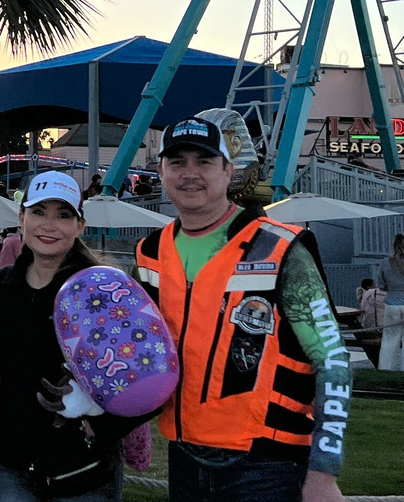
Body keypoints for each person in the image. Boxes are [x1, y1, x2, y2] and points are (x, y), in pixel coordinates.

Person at [136, 116, 352, 502]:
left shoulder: (279, 247)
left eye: (204, 161)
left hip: (266, 465)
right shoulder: (150, 252)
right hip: (183, 457)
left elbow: (333, 359)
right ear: (161, 171)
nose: (190, 173)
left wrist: (324, 470)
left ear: (228, 171)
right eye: (177, 162)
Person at [0, 170, 144, 502]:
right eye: (38, 212)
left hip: (83, 472)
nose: (49, 225)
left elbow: (149, 371)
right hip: (13, 468)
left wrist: (101, 426)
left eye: (63, 215)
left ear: (80, 226)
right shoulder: (6, 285)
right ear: (21, 218)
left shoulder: (102, 290)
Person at [377, 233, 404, 371]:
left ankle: (385, 369)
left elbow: (381, 285)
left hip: (392, 304)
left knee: (389, 339)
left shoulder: (385, 262)